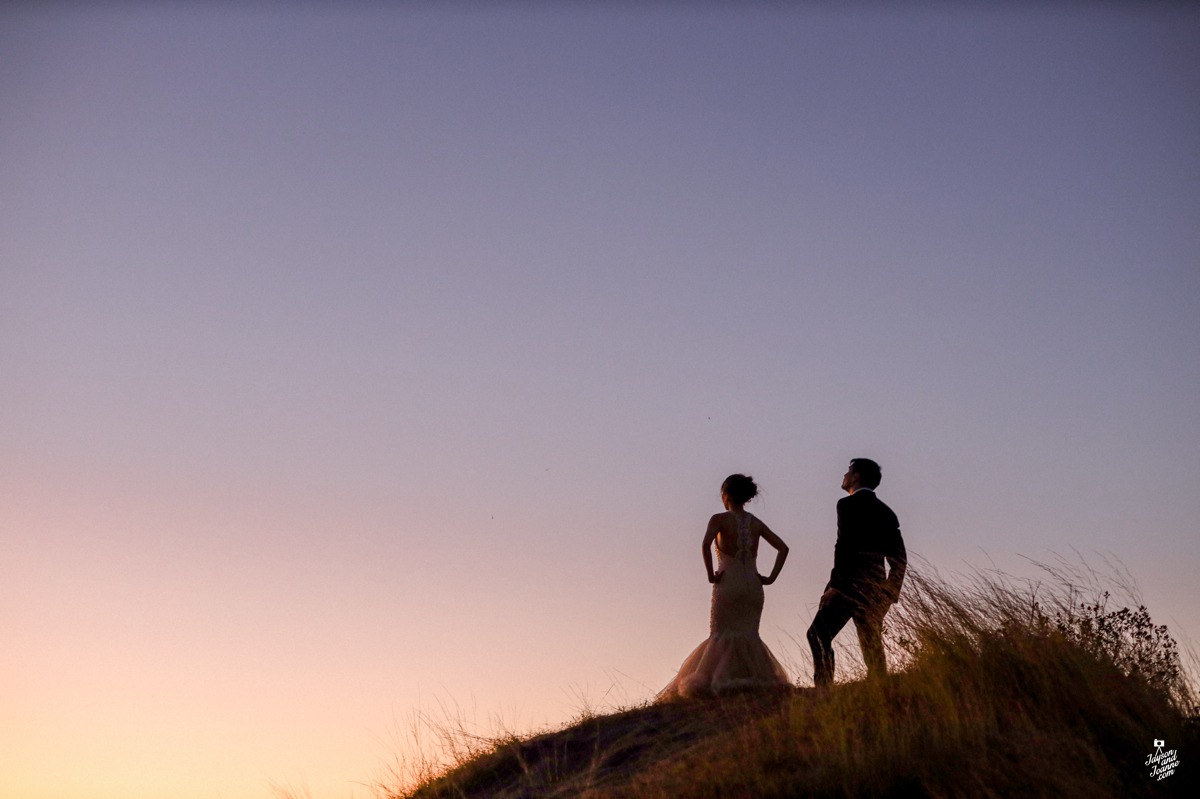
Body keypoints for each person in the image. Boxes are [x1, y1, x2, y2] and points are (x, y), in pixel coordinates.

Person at [659, 474, 792, 699]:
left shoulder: (719, 519)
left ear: (726, 495)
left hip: (728, 581)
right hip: (752, 584)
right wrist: (770, 578)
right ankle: (752, 678)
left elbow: (705, 543)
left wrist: (711, 574)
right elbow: (783, 548)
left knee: (722, 632)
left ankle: (718, 680)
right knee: (748, 632)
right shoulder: (756, 523)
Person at [806, 458, 907, 688]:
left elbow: (844, 547)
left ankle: (824, 691)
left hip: (847, 586)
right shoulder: (887, 512)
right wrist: (889, 593)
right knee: (870, 641)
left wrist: (835, 586)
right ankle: (881, 689)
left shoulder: (846, 505)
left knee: (817, 635)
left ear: (857, 476)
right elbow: (899, 559)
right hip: (875, 589)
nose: (844, 475)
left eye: (848, 471)